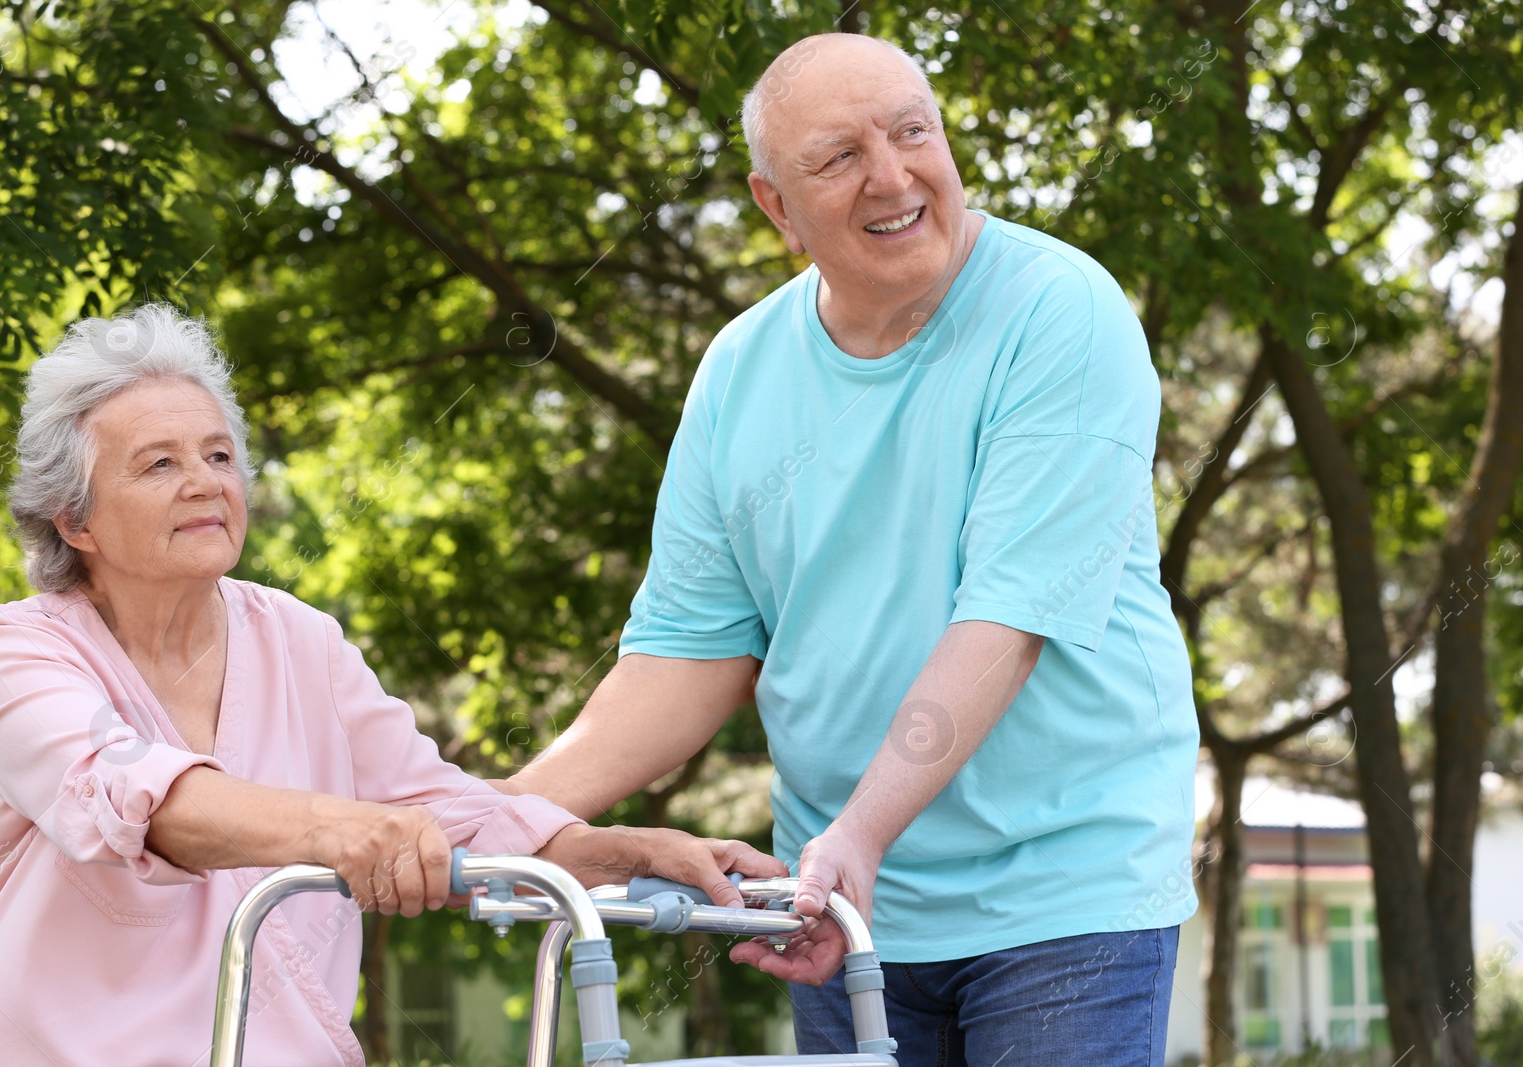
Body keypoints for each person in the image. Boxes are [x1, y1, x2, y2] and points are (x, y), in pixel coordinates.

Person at [498, 32, 1199, 1066]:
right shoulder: (739, 370)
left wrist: (858, 834)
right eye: (837, 156)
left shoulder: (1061, 312)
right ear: (775, 205)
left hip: (1062, 890)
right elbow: (684, 658)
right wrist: (493, 817)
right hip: (839, 903)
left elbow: (1006, 622)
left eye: (912, 132)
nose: (892, 173)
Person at [0, 304, 785, 1067]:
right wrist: (350, 829)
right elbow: (142, 800)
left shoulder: (300, 638)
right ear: (74, 517)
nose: (206, 482)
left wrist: (625, 850)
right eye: (159, 464)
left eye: (220, 455)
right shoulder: (16, 647)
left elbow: (444, 811)